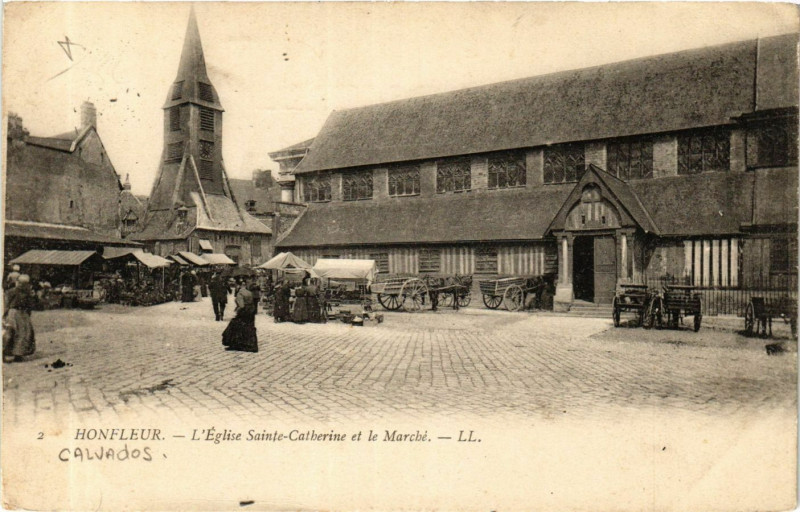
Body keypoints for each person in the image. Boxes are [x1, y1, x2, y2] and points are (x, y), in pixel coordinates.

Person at [3, 275, 37, 363]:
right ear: (18, 282)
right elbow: (6, 303)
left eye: (25, 283)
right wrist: (5, 314)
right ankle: (5, 353)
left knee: (23, 334)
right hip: (14, 312)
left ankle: (18, 354)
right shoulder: (12, 291)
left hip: (22, 313)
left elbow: (30, 304)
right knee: (10, 332)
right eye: (21, 283)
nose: (22, 285)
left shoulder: (27, 292)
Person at [221, 278, 258, 352]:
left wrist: (236, 311)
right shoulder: (249, 292)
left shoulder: (240, 293)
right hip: (250, 311)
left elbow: (241, 305)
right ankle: (250, 344)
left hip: (244, 312)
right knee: (249, 327)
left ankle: (236, 344)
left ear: (238, 286)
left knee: (234, 326)